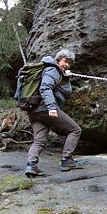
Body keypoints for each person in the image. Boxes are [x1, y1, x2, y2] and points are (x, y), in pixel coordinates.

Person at [24, 49, 83, 177]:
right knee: (75, 130)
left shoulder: (53, 71)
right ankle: (67, 160)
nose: (67, 65)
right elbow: (45, 87)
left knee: (39, 140)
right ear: (58, 60)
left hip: (34, 112)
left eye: (69, 63)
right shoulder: (53, 70)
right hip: (45, 108)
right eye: (65, 61)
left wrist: (66, 76)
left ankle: (31, 165)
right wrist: (51, 107)